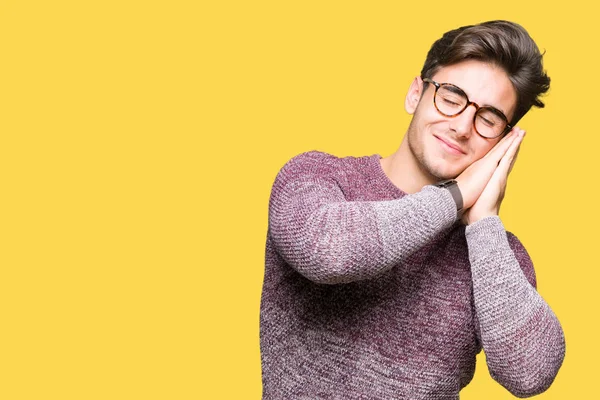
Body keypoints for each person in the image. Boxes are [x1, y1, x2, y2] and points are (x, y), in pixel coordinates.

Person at [259, 20, 565, 399]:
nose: (462, 126)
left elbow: (530, 373)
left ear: (504, 145)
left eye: (488, 119)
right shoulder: (316, 178)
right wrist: (456, 196)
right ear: (414, 94)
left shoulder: (495, 253)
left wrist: (484, 222)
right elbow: (328, 252)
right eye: (452, 97)